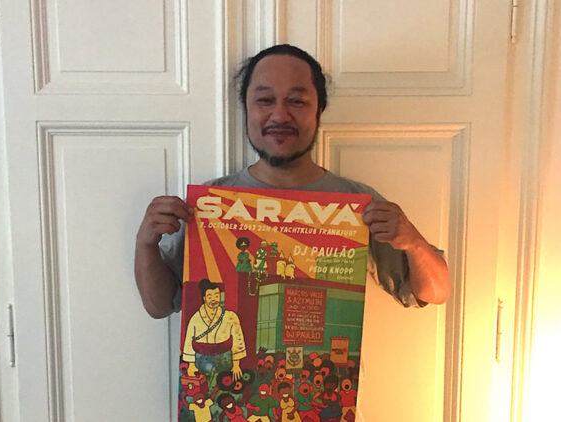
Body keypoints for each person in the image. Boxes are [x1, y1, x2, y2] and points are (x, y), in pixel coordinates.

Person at [134, 44, 450, 320]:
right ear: (246, 109)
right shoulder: (210, 205)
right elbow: (159, 305)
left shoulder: (357, 205)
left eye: (296, 101)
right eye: (265, 100)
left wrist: (413, 242)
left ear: (319, 110)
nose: (280, 115)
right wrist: (146, 242)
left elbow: (436, 292)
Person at [182, 279, 246, 380]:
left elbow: (238, 340)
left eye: (216, 296)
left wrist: (236, 365)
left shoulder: (230, 316)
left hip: (224, 359)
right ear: (204, 298)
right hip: (201, 360)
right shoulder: (196, 318)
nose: (214, 299)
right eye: (210, 296)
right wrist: (191, 365)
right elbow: (188, 342)